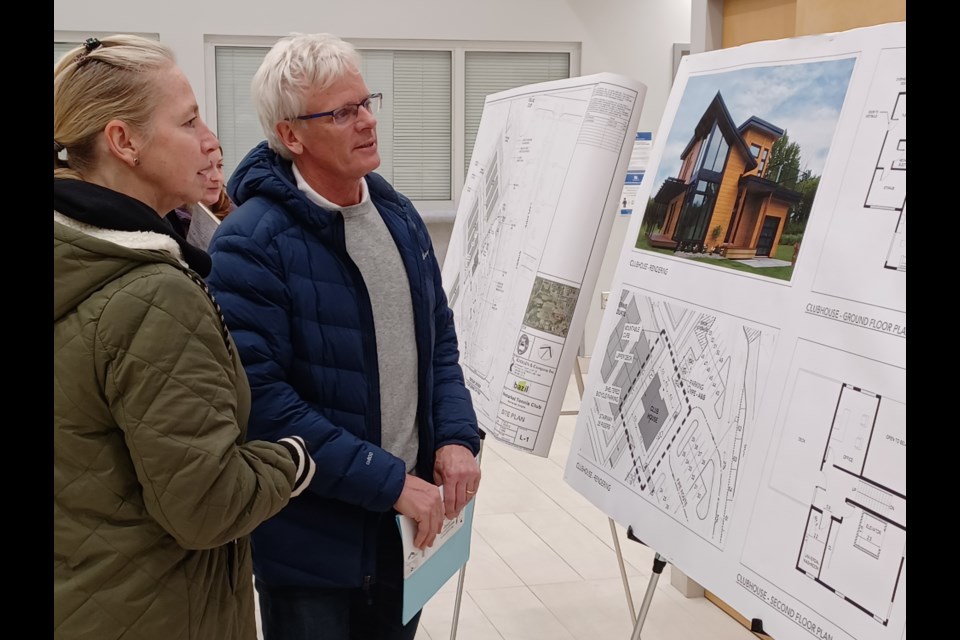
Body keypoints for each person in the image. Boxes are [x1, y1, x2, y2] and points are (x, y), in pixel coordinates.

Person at [205, 33, 481, 640]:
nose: (367, 122)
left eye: (365, 102)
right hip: (314, 546)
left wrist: (458, 436)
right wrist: (388, 483)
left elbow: (438, 341)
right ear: (291, 135)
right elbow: (263, 402)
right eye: (342, 112)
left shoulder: (398, 216)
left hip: (405, 528)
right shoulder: (252, 242)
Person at [54, 35, 317, 640]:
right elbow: (208, 505)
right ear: (124, 142)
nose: (210, 140)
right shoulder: (152, 296)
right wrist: (293, 459)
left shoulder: (80, 259)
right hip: (163, 610)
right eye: (189, 119)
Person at [167, 144, 237, 237]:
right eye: (204, 168)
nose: (217, 177)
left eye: (219, 166)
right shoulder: (168, 222)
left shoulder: (238, 215)